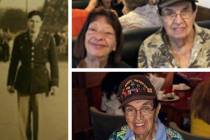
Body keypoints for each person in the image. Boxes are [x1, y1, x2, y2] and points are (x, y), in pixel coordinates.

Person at [7, 10, 59, 140]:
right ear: (27, 23)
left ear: (41, 23)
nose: (34, 24)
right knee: (23, 120)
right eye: (31, 21)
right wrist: (10, 82)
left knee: (39, 120)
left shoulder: (48, 39)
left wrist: (54, 84)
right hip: (22, 83)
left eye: (37, 21)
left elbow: (54, 63)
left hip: (41, 83)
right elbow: (13, 62)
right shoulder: (19, 39)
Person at [138, 0, 210, 68]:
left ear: (194, 12)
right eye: (169, 13)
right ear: (160, 16)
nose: (178, 21)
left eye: (185, 11)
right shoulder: (148, 47)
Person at [109, 75, 183, 140]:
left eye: (145, 109)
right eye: (130, 110)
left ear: (157, 110)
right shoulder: (117, 137)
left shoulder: (174, 138)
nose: (138, 117)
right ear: (124, 114)